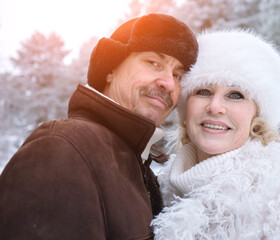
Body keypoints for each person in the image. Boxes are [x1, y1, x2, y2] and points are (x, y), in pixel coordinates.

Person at [0, 13, 198, 239]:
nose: (169, 83)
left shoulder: (133, 163)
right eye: (153, 62)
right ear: (110, 69)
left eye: (178, 74)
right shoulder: (61, 148)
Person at [151, 29, 280, 239]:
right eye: (203, 91)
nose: (215, 107)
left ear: (258, 116)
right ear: (185, 110)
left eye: (236, 95)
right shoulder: (158, 189)